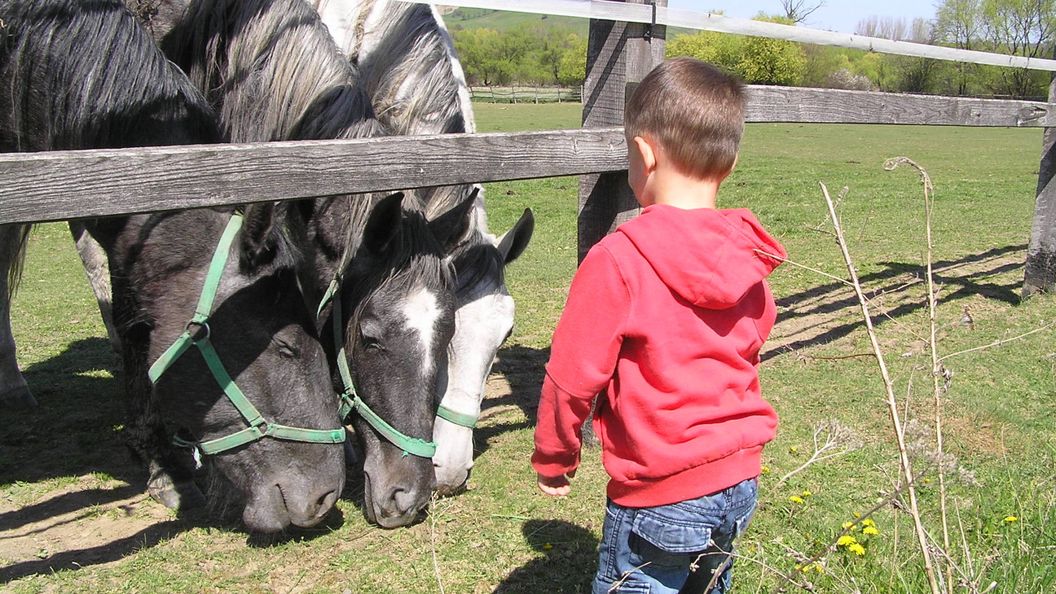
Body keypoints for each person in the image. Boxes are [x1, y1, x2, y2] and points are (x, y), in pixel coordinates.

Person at [531, 57, 787, 594]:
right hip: (739, 478)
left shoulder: (619, 259)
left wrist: (555, 456)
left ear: (643, 155)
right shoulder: (746, 254)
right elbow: (756, 334)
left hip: (661, 488)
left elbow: (571, 377)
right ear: (731, 162)